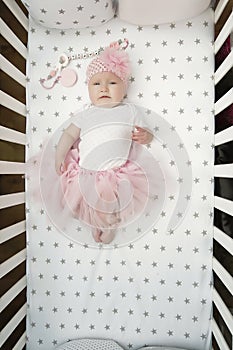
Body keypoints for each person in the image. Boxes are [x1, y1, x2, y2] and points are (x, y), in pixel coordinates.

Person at [54, 42, 154, 244]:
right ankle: (95, 224)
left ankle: (108, 224)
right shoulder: (86, 113)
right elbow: (68, 135)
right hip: (85, 171)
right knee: (85, 200)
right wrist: (59, 154)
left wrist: (146, 136)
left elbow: (148, 133)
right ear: (89, 88)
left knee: (108, 199)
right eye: (96, 83)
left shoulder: (130, 111)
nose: (104, 88)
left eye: (113, 83)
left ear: (124, 88)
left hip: (115, 172)